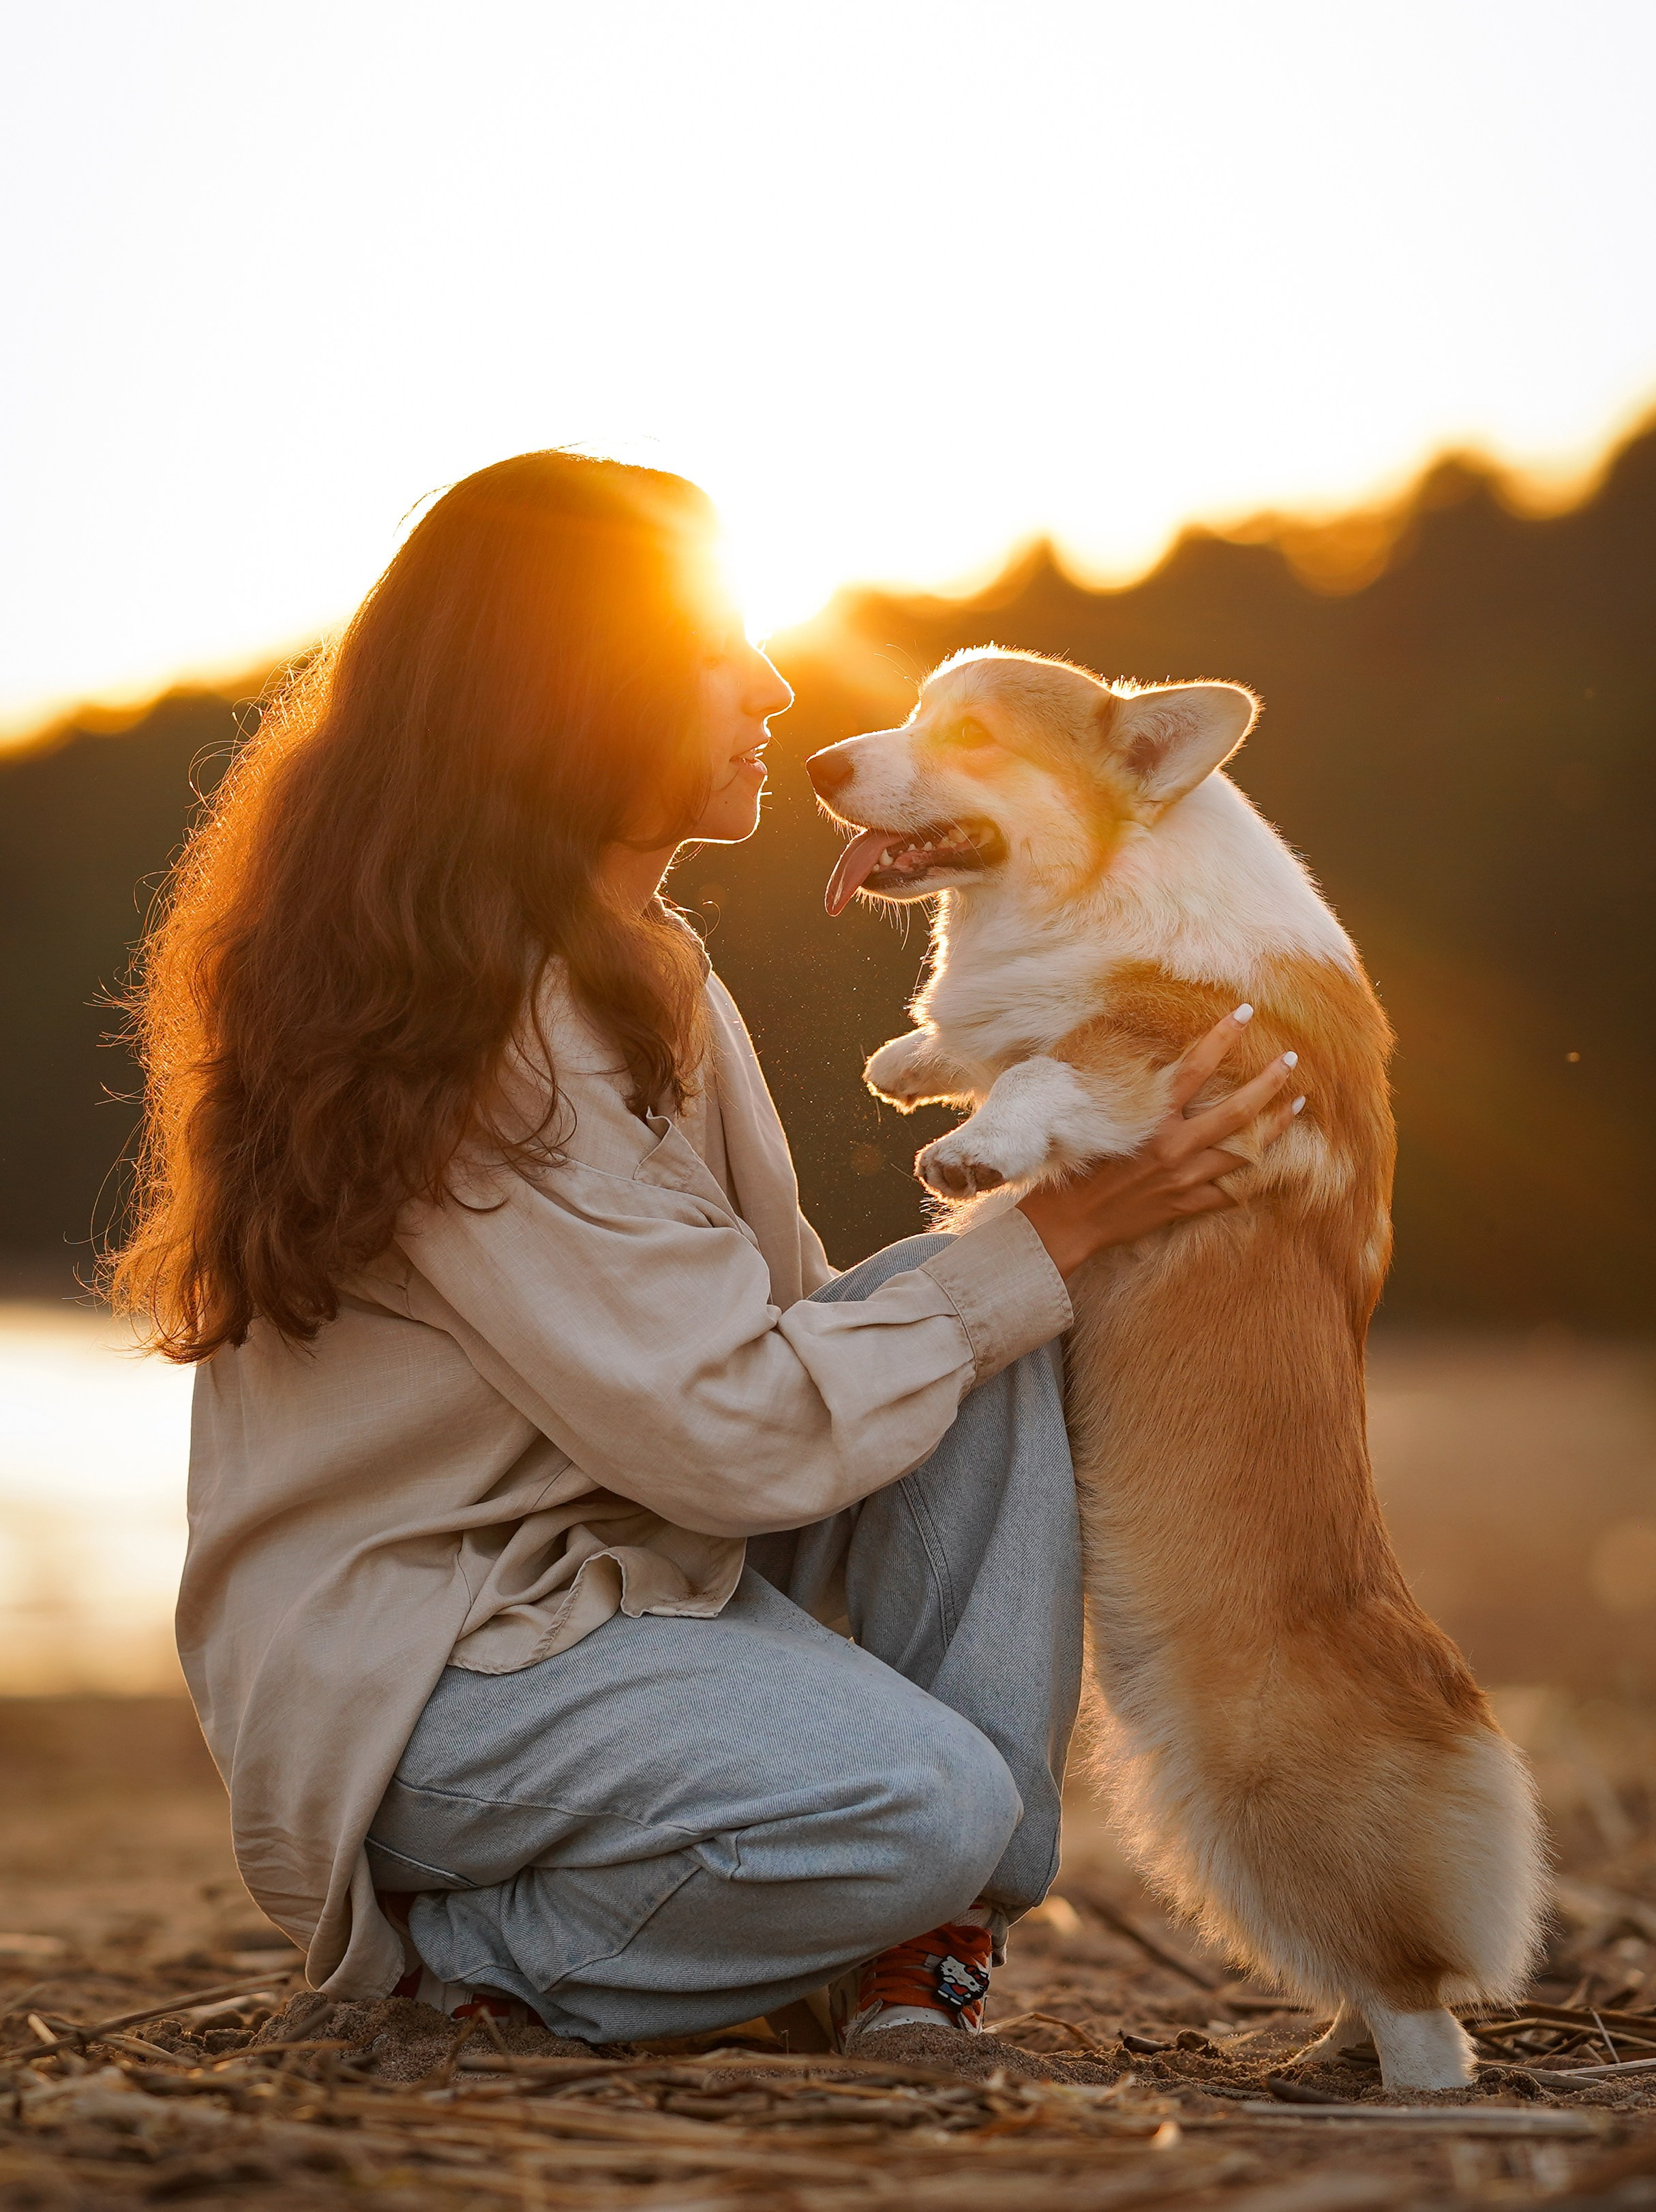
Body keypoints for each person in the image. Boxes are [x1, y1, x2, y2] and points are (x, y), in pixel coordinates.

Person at [112, 452, 1301, 2048]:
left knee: (988, 1335)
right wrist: (1071, 1220)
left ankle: (913, 1942)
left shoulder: (646, 965)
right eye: (714, 651)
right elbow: (733, 1435)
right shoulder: (474, 1025)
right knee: (924, 1774)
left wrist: (1081, 1202)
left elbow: (795, 1338)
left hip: (629, 1572)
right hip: (435, 1676)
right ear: (574, 694)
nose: (773, 685)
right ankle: (477, 1951)